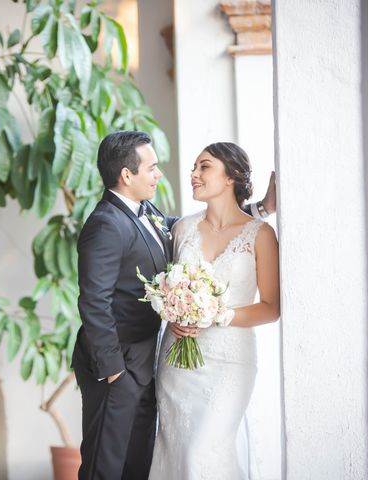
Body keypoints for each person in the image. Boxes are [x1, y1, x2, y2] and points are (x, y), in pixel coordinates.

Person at [72, 131, 275, 480]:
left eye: (203, 167)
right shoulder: (106, 223)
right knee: (105, 465)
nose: (159, 174)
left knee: (139, 462)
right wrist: (114, 371)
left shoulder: (146, 212)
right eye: (151, 168)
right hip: (117, 365)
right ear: (126, 175)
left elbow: (194, 228)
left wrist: (259, 210)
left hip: (153, 363)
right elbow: (94, 301)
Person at [148, 142, 281, 480]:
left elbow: (271, 308)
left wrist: (218, 315)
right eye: (194, 167)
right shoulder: (182, 230)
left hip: (229, 364)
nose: (193, 174)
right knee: (177, 452)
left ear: (230, 177)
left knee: (203, 453)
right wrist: (173, 313)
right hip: (177, 361)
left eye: (203, 166)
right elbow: (169, 286)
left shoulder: (261, 235)